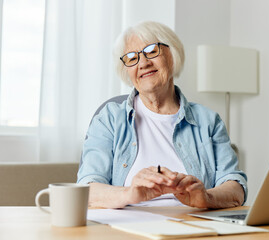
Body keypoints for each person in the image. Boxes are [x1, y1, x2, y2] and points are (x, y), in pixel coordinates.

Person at [77, 21, 247, 209]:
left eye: (151, 51)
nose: (143, 63)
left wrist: (206, 198)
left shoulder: (208, 121)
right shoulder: (109, 119)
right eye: (132, 58)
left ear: (173, 55)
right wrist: (130, 194)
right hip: (128, 229)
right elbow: (87, 189)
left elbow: (235, 186)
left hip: (194, 227)